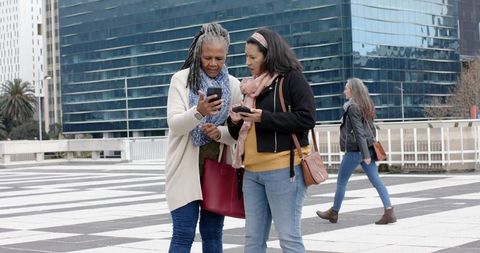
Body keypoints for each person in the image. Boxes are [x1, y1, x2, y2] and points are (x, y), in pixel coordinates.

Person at [228, 28, 315, 253]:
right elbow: (239, 134)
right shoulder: (250, 87)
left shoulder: (291, 79)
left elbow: (307, 118)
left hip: (283, 170)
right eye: (246, 56)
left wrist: (263, 117)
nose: (247, 62)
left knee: (288, 237)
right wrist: (236, 120)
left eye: (253, 57)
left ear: (269, 55)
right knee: (252, 240)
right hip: (251, 172)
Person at [165, 23, 242, 253]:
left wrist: (220, 133)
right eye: (208, 57)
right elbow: (175, 125)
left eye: (219, 58)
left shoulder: (233, 85)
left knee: (213, 236)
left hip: (218, 172)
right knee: (183, 234)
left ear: (226, 55)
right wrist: (199, 112)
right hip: (184, 172)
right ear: (199, 53)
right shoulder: (181, 80)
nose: (213, 63)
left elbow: (238, 132)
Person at [316, 78, 397, 225]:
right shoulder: (366, 104)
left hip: (355, 151)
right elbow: (370, 129)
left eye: (346, 88)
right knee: (376, 181)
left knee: (341, 182)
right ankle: (389, 210)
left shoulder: (352, 107)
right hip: (367, 148)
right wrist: (368, 152)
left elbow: (359, 132)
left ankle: (334, 212)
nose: (344, 91)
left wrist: (365, 155)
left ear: (352, 90)